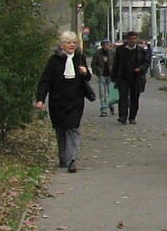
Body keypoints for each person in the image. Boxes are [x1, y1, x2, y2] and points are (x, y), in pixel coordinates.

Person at [35, 30, 95, 173]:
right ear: (62, 45)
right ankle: (63, 158)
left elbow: (87, 78)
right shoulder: (54, 60)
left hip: (76, 100)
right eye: (68, 42)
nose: (72, 45)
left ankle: (72, 159)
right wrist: (40, 99)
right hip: (58, 101)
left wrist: (85, 72)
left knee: (73, 128)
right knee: (61, 129)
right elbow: (45, 81)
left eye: (74, 42)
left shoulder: (80, 58)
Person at [112, 30, 150, 125]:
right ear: (127, 40)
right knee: (123, 97)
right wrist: (114, 76)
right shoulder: (121, 50)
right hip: (124, 77)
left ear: (137, 39)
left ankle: (132, 117)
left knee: (135, 98)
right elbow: (116, 63)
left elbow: (146, 62)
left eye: (134, 39)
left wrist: (140, 69)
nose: (133, 41)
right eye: (130, 39)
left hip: (136, 78)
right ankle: (122, 117)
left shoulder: (141, 51)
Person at [91, 38, 114, 116]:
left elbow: (116, 62)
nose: (106, 46)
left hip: (111, 75)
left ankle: (111, 106)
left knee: (111, 92)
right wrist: (96, 72)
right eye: (104, 45)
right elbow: (93, 64)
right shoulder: (97, 53)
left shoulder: (112, 52)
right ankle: (104, 109)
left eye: (107, 45)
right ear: (102, 46)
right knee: (102, 94)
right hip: (102, 75)